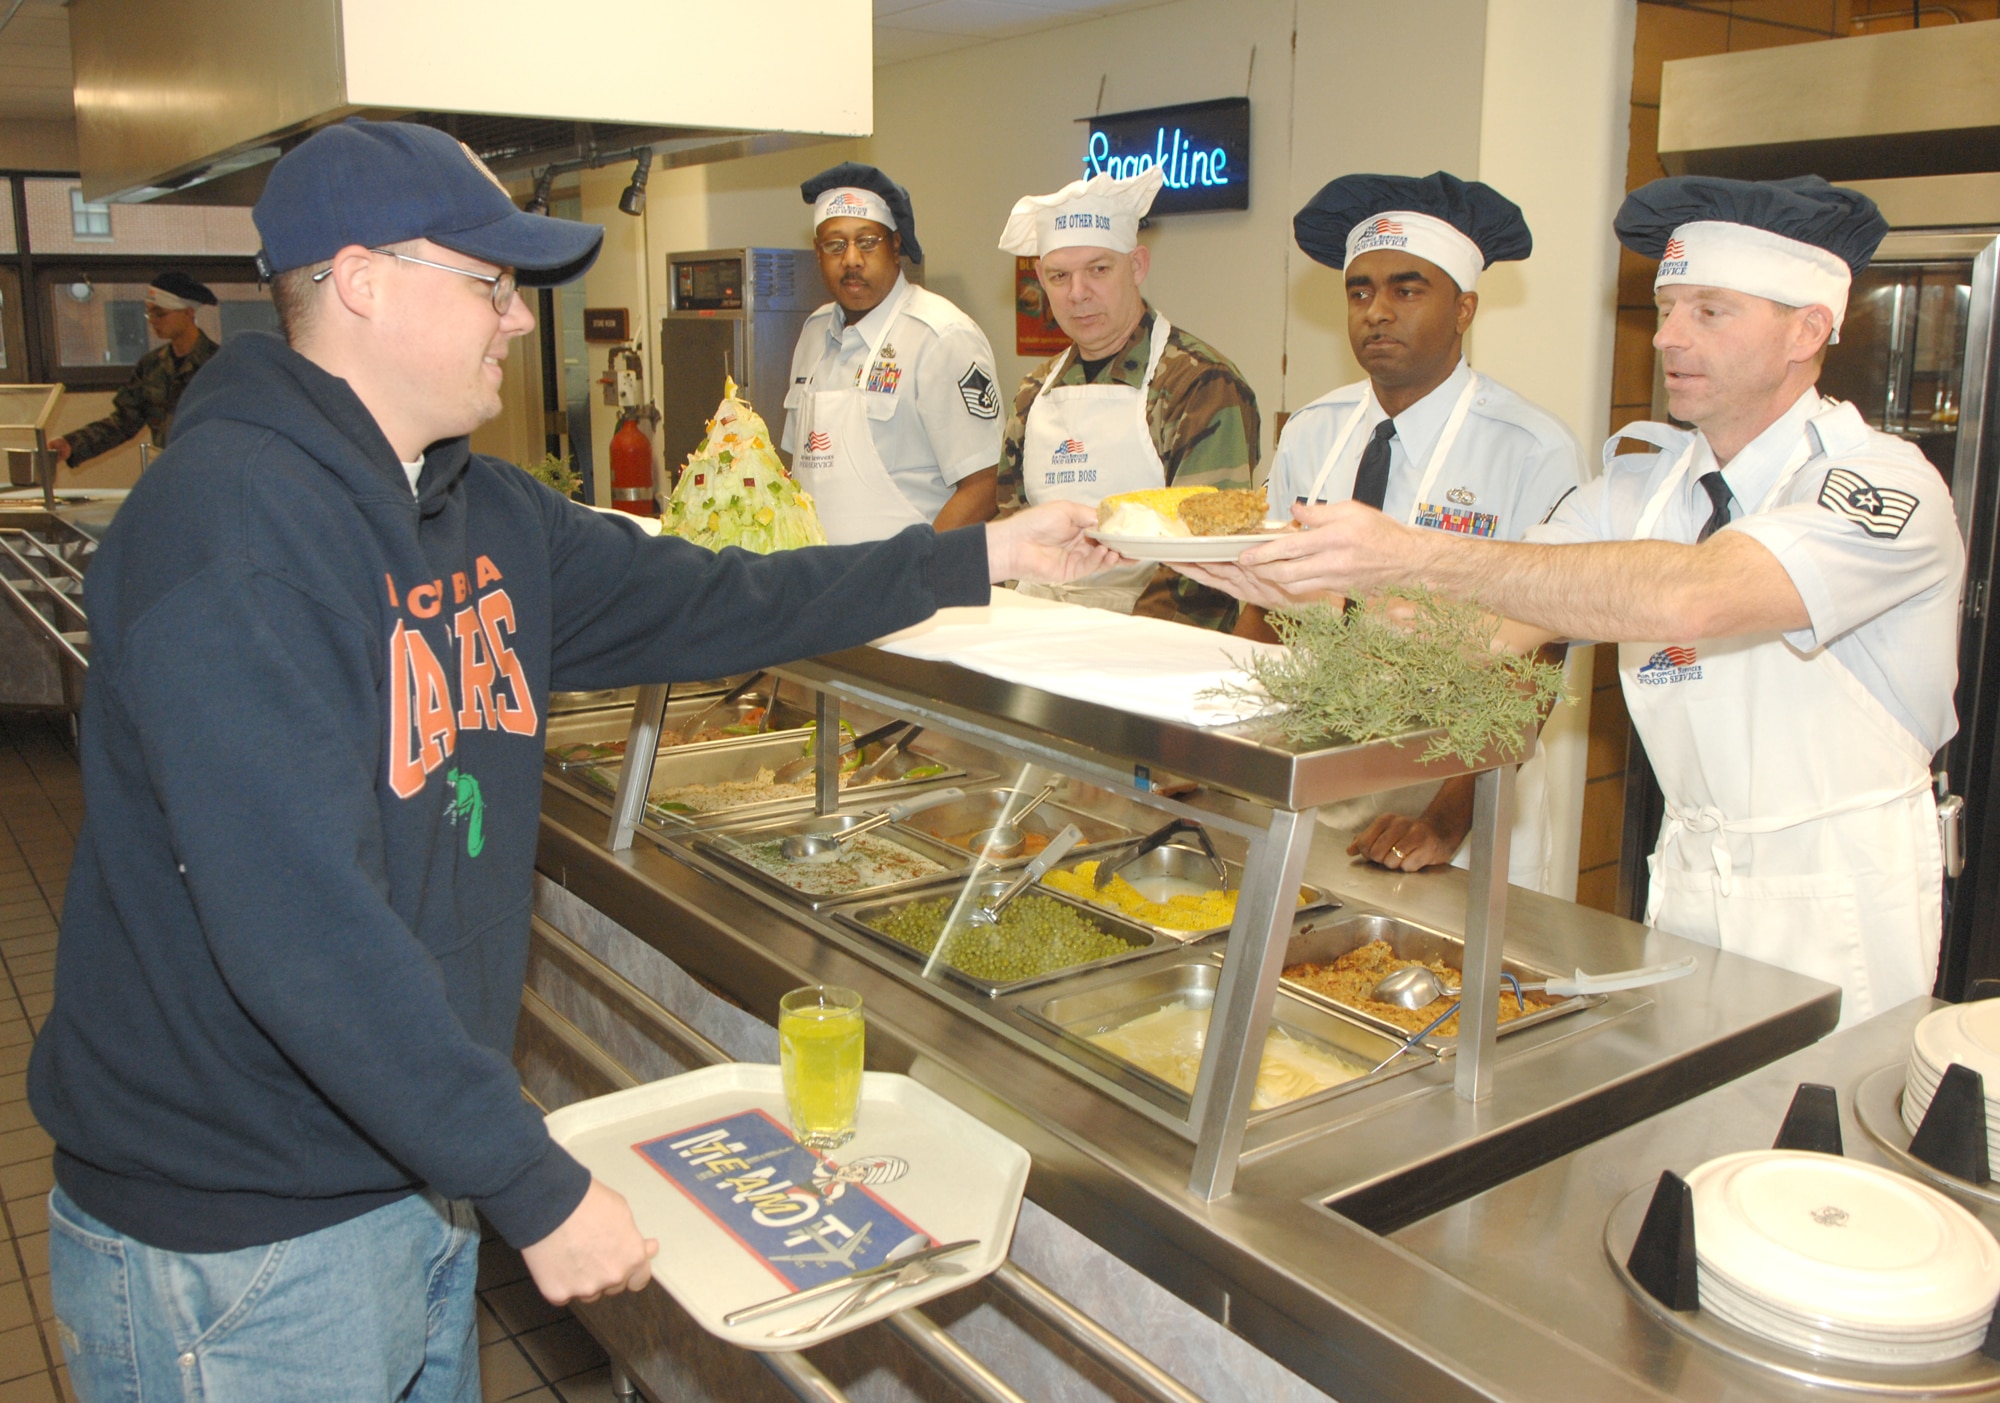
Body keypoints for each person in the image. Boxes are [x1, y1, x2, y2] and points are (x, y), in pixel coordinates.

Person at [28, 119, 1114, 1403]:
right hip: (243, 1235)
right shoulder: (230, 534)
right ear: (363, 278)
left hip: (404, 1174)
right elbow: (300, 928)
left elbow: (713, 598)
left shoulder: (476, 506)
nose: (518, 319)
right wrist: (530, 1182)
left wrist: (982, 558)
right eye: (489, 284)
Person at [1186, 175, 1959, 1030]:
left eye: (1709, 311)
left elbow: (1695, 596)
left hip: (1839, 892)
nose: (1667, 336)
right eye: (1667, 308)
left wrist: (1413, 551)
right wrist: (1303, 593)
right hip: (1690, 873)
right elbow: (1482, 632)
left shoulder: (1878, 484)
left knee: (1816, 1149)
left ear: (1808, 328)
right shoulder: (1638, 484)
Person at [1255, 172, 1582, 894]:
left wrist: (1446, 818)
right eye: (1360, 290)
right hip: (1323, 783)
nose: (1377, 312)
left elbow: (1540, 661)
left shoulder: (1529, 447)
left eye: (1408, 290)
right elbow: (1264, 607)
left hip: (1463, 803)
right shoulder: (1312, 434)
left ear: (1464, 307)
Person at [996, 165, 1261, 626]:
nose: (1078, 294)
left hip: (1152, 642)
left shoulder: (1198, 385)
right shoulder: (1033, 393)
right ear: (1040, 277)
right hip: (1035, 633)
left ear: (1137, 265)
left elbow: (1205, 558)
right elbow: (1011, 532)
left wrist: (1122, 653)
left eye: (1098, 270)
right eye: (1059, 276)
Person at [780, 162, 1003, 542]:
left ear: (895, 245)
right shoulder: (813, 334)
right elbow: (800, 473)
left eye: (867, 241)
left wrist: (914, 572)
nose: (851, 259)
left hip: (910, 588)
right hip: (819, 579)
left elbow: (983, 490)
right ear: (818, 253)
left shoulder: (941, 337)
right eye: (836, 245)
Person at [49, 270, 220, 468]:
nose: (152, 320)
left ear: (188, 312)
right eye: (149, 312)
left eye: (160, 313)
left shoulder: (219, 364)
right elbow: (124, 421)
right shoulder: (151, 366)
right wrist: (72, 444)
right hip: (167, 471)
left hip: (211, 470)